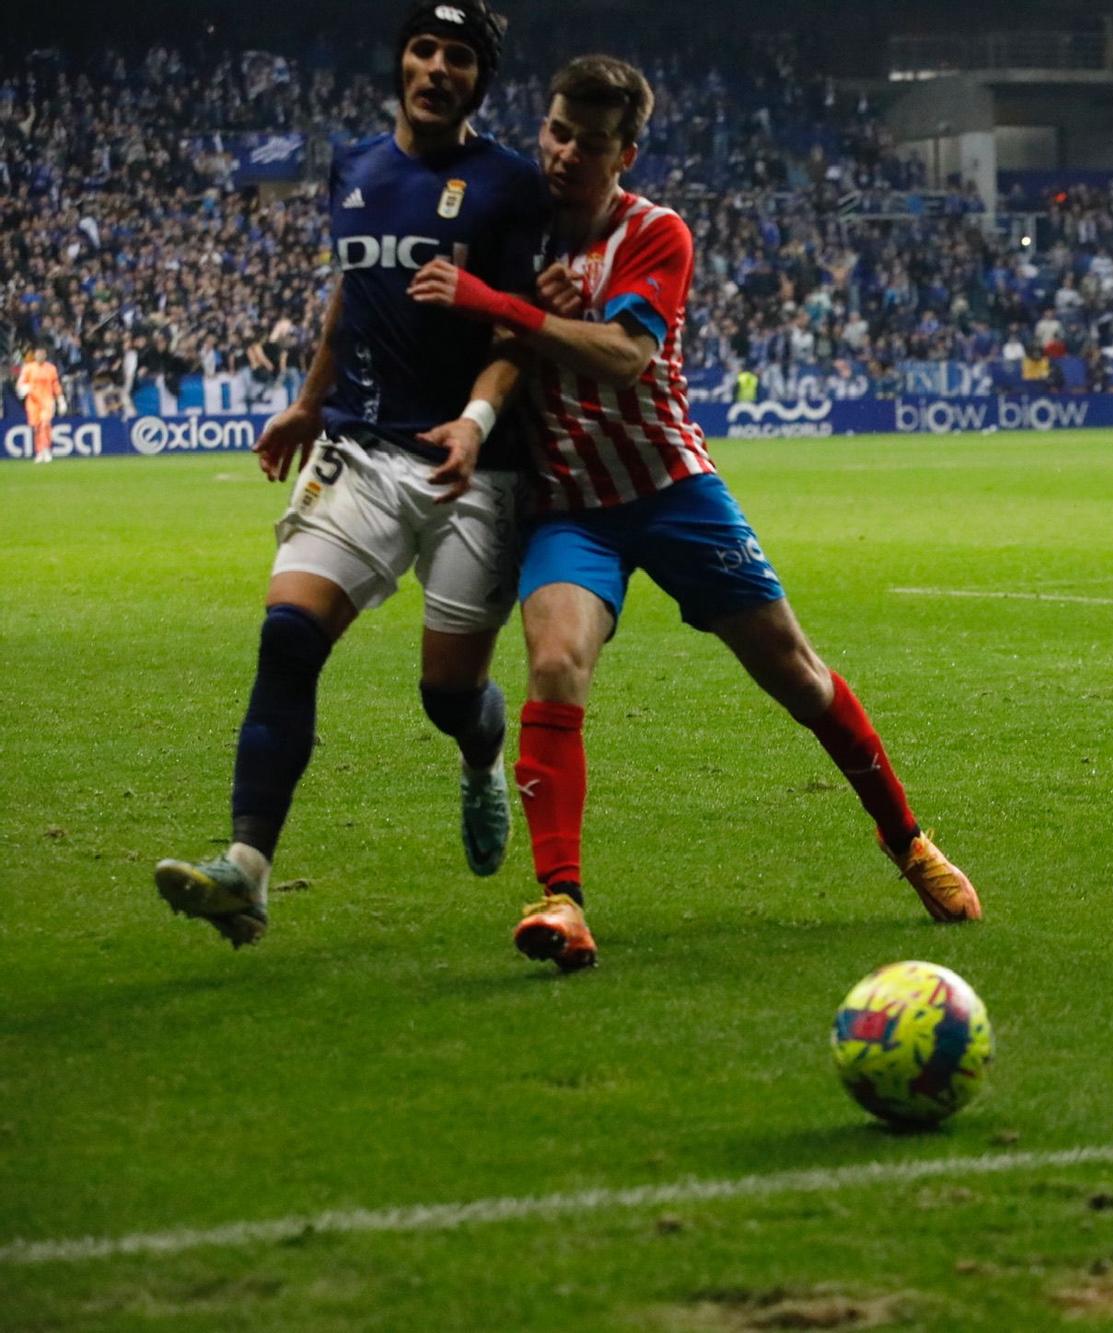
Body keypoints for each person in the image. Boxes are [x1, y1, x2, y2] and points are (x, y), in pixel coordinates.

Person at [409, 54, 982, 972]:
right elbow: (466, 334)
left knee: (796, 674)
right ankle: (563, 900)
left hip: (674, 490)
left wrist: (501, 305)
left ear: (625, 154)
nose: (563, 156)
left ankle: (908, 840)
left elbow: (627, 355)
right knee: (554, 664)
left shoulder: (656, 233)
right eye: (556, 132)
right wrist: (502, 312)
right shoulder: (517, 229)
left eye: (589, 145)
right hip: (572, 506)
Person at [153, 0, 544, 947]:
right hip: (360, 448)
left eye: (457, 56)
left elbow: (517, 333)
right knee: (288, 636)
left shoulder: (508, 185)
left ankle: (480, 755)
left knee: (448, 694)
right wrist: (306, 397)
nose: (436, 67)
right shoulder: (355, 167)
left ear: (478, 81)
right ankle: (246, 869)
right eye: (422, 49)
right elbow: (350, 297)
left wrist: (476, 417)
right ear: (401, 62)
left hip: (473, 469)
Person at [14, 348, 65, 463]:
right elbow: (21, 383)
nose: (40, 356)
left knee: (45, 424)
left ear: (45, 355)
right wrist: (23, 388)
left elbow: (55, 384)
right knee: (36, 427)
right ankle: (39, 451)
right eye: (38, 354)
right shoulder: (28, 368)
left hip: (47, 400)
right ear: (35, 355)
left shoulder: (51, 368)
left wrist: (60, 399)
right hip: (32, 402)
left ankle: (46, 449)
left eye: (42, 354)